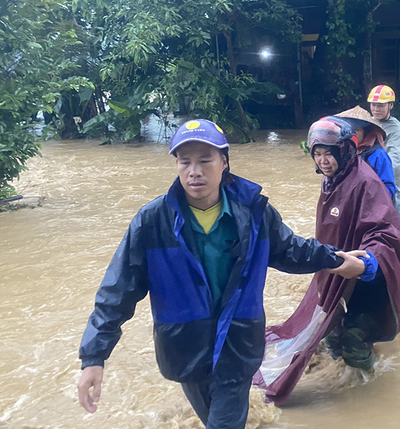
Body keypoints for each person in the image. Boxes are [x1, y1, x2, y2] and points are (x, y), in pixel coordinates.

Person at [76, 119, 368, 429]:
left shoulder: (254, 213)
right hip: (186, 350)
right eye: (185, 161)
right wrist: (94, 357)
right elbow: (118, 291)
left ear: (224, 162)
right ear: (176, 165)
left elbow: (290, 249)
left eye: (205, 160)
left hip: (237, 346)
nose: (194, 170)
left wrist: (335, 259)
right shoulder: (152, 222)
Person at [253, 117, 400, 405]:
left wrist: (367, 265)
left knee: (354, 339)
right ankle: (342, 377)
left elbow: (384, 232)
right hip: (338, 272)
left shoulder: (364, 181)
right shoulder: (334, 179)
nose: (323, 160)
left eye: (329, 153)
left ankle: (367, 396)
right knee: (330, 335)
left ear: (345, 151)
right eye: (317, 153)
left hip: (367, 280)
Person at [367, 85, 400, 252]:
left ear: (390, 106)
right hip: (376, 182)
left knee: (397, 228)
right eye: (373, 104)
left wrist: (368, 175)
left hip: (395, 185)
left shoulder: (395, 128)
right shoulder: (369, 124)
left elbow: (395, 160)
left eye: (381, 105)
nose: (376, 108)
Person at [335, 105, 396, 199]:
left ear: (366, 132)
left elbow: (389, 189)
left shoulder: (379, 155)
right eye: (348, 129)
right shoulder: (343, 152)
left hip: (369, 207)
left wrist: (365, 198)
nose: (352, 134)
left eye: (357, 130)